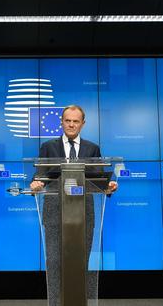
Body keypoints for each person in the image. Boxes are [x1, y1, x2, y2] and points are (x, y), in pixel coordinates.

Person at [30, 105, 117, 306]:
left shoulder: (92, 148)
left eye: (75, 121)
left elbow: (98, 180)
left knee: (80, 264)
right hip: (53, 213)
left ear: (82, 124)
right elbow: (40, 176)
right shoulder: (48, 147)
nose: (71, 124)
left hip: (84, 214)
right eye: (67, 120)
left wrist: (108, 187)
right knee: (54, 263)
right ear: (61, 122)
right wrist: (36, 184)